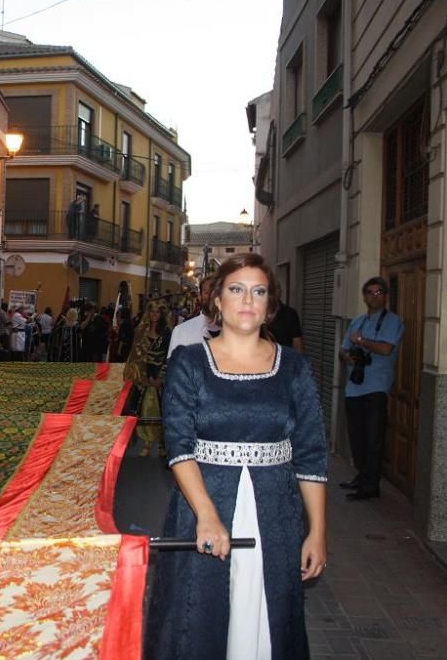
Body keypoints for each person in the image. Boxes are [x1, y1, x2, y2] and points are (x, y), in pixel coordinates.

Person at [148, 253, 327, 659]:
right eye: (236, 289)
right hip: (204, 505)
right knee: (200, 613)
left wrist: (317, 530)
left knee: (268, 612)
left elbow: (311, 452)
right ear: (217, 301)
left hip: (276, 512)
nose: (248, 300)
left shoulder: (295, 367)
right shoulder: (189, 362)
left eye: (258, 291)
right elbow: (179, 443)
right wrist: (207, 516)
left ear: (269, 305)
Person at [338, 276, 404, 500]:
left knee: (373, 437)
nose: (374, 297)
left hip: (376, 387)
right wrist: (348, 356)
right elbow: (344, 347)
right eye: (370, 293)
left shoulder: (392, 321)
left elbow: (386, 349)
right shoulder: (358, 321)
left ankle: (371, 485)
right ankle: (362, 475)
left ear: (385, 296)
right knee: (357, 436)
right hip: (354, 387)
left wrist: (363, 342)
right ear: (364, 296)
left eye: (378, 293)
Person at [122, 300, 171, 457]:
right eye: (152, 311)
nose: (155, 314)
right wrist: (142, 376)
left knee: (163, 411)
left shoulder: (167, 332)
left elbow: (170, 356)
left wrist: (160, 377)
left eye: (158, 312)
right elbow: (135, 355)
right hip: (145, 377)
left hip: (161, 378)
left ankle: (162, 444)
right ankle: (147, 443)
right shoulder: (141, 331)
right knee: (145, 410)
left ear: (162, 314)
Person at [167, 276, 218, 358]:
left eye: (216, 292)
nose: (211, 296)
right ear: (199, 296)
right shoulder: (181, 331)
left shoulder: (237, 333)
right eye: (207, 292)